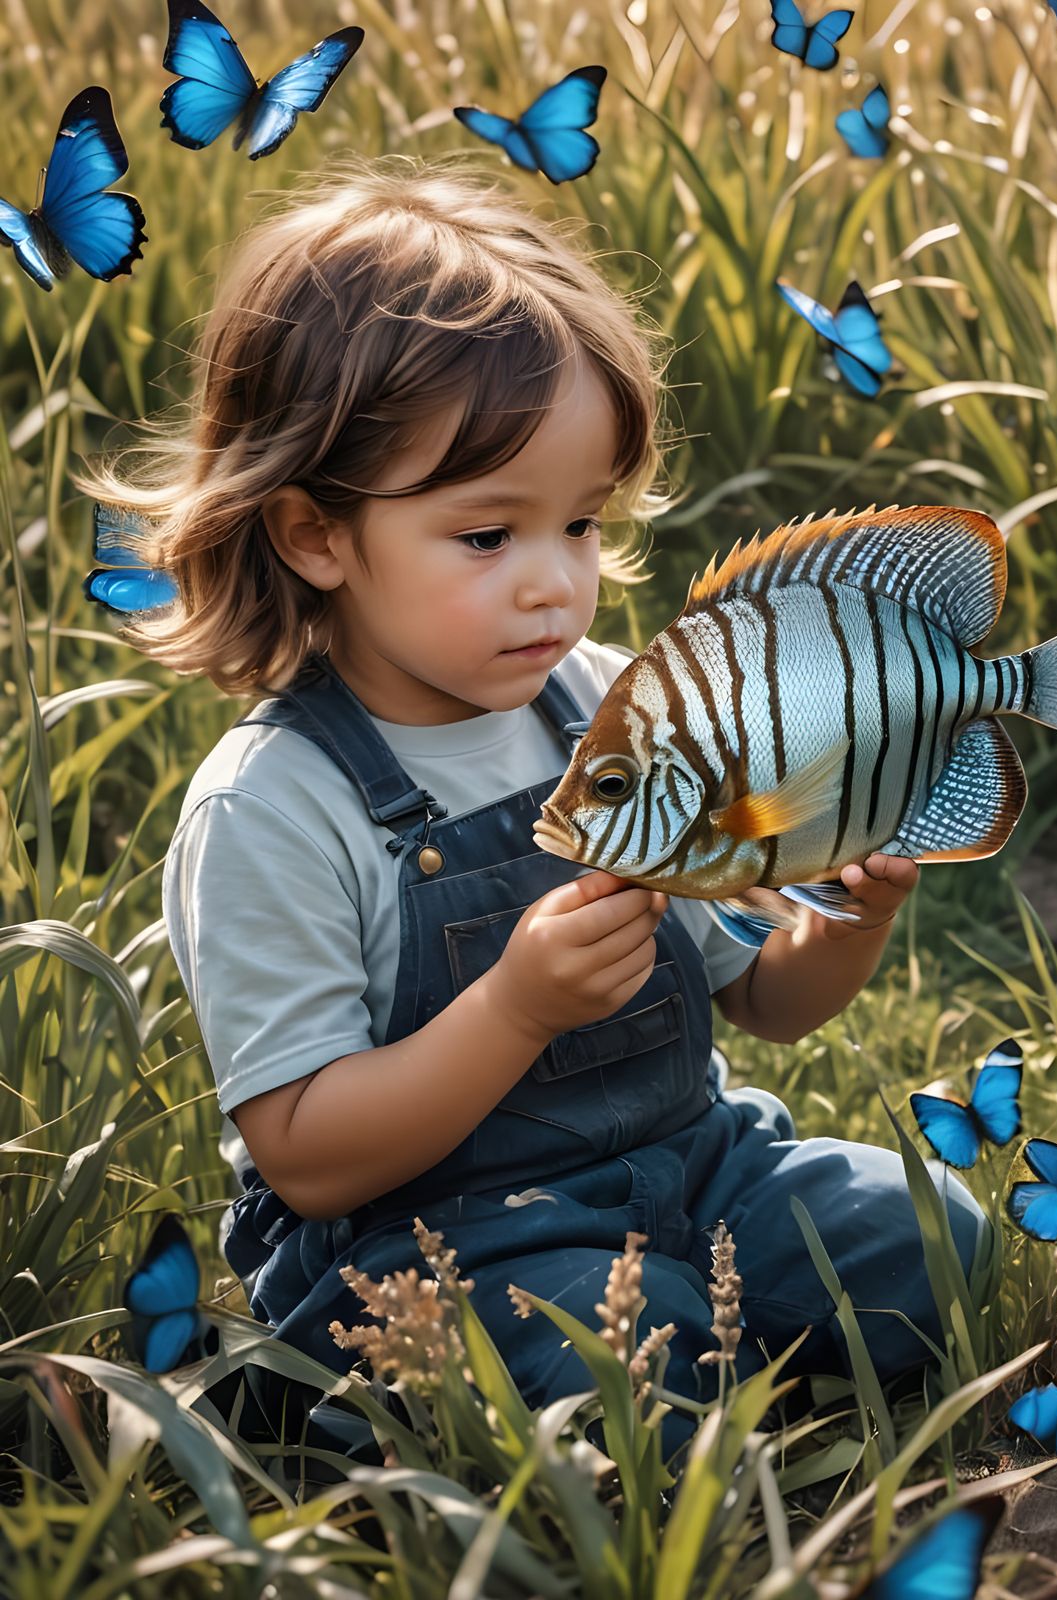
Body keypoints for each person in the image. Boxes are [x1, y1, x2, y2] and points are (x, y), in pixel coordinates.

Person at [76, 153, 986, 1461]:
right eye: (488, 536)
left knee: (932, 1236)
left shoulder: (614, 707)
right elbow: (309, 1159)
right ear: (315, 534)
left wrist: (843, 925)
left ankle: (710, 1362)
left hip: (694, 1168)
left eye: (581, 523)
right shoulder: (276, 806)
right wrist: (515, 1008)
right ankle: (323, 1404)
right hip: (427, 1250)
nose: (555, 585)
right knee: (618, 1362)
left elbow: (763, 1008)